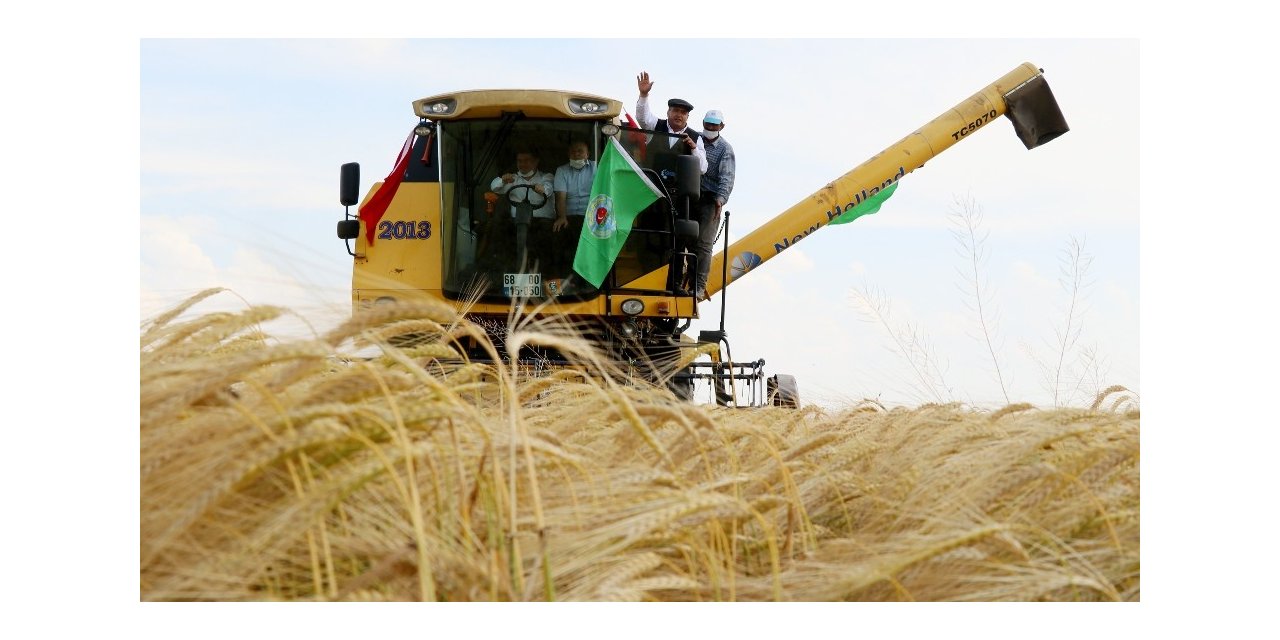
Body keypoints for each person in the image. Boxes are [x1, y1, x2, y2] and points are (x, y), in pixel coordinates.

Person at [693, 109, 735, 301]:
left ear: (721, 127)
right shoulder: (694, 139)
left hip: (710, 199)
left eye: (714, 125)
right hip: (689, 194)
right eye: (707, 124)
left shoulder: (725, 149)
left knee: (704, 244)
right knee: (681, 239)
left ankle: (699, 286)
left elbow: (727, 178)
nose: (710, 128)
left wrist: (720, 200)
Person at [490, 149, 555, 270]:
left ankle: (544, 274)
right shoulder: (512, 179)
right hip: (517, 223)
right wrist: (503, 180)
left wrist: (543, 189)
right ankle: (515, 271)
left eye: (526, 160)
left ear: (536, 162)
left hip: (542, 224)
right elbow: (494, 187)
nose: (522, 164)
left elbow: (548, 188)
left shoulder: (546, 176)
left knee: (544, 246)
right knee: (502, 233)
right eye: (519, 161)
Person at [634, 71, 708, 176]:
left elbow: (702, 169)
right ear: (668, 112)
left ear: (687, 117)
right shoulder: (655, 125)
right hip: (650, 183)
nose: (679, 115)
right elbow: (642, 117)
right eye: (676, 110)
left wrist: (694, 148)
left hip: (677, 190)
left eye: (683, 112)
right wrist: (643, 94)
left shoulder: (696, 138)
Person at [552, 139, 596, 276]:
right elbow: (561, 196)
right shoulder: (561, 170)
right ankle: (563, 282)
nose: (576, 154)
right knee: (560, 242)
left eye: (580, 151)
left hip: (591, 217)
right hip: (569, 216)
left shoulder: (597, 168)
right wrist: (562, 217)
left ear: (588, 154)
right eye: (573, 151)